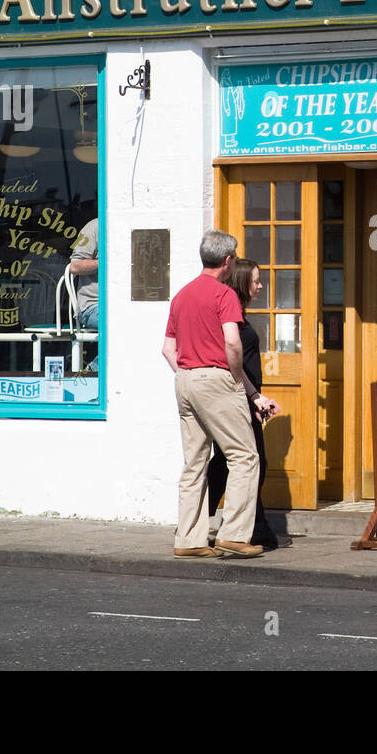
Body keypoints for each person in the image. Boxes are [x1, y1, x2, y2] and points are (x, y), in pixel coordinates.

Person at [162, 230, 262, 559]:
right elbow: (232, 342)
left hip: (185, 379)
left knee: (194, 463)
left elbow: (167, 349)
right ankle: (233, 534)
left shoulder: (181, 296)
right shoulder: (223, 295)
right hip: (216, 379)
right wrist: (234, 381)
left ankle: (188, 539)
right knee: (244, 457)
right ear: (229, 261)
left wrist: (189, 373)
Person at [207, 258, 291, 550]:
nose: (260, 285)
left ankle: (240, 524)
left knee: (229, 462)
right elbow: (233, 360)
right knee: (247, 462)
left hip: (245, 398)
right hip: (239, 398)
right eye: (256, 280)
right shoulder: (233, 319)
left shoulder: (238, 314)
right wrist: (254, 396)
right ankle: (249, 527)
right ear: (242, 282)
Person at [69, 217, 99, 330]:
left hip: (122, 305)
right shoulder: (94, 226)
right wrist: (108, 263)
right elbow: (75, 266)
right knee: (123, 320)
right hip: (93, 306)